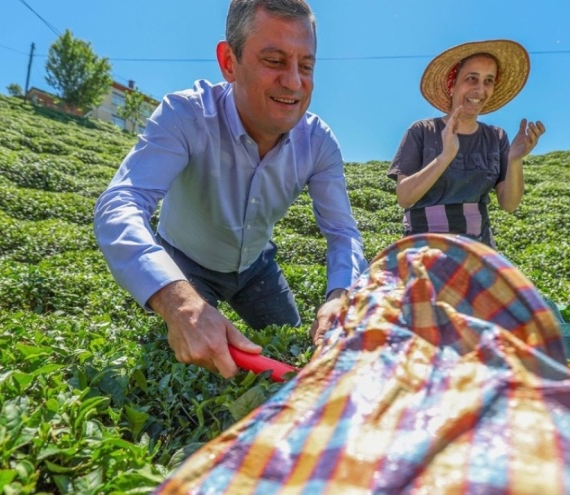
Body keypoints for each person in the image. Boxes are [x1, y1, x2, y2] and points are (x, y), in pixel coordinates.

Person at [93, 0, 367, 379]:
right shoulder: (185, 115)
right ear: (229, 62)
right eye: (274, 60)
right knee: (201, 369)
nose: (293, 82)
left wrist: (341, 295)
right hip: (185, 263)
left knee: (295, 348)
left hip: (257, 268)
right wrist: (178, 302)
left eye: (305, 66)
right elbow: (120, 204)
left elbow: (342, 232)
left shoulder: (318, 142)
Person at [387, 39, 545, 246]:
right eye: (472, 78)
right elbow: (404, 197)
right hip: (423, 247)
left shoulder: (496, 137)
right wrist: (445, 157)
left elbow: (509, 204)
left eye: (489, 80)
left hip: (477, 247)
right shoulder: (422, 131)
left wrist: (515, 161)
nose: (480, 89)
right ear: (452, 86)